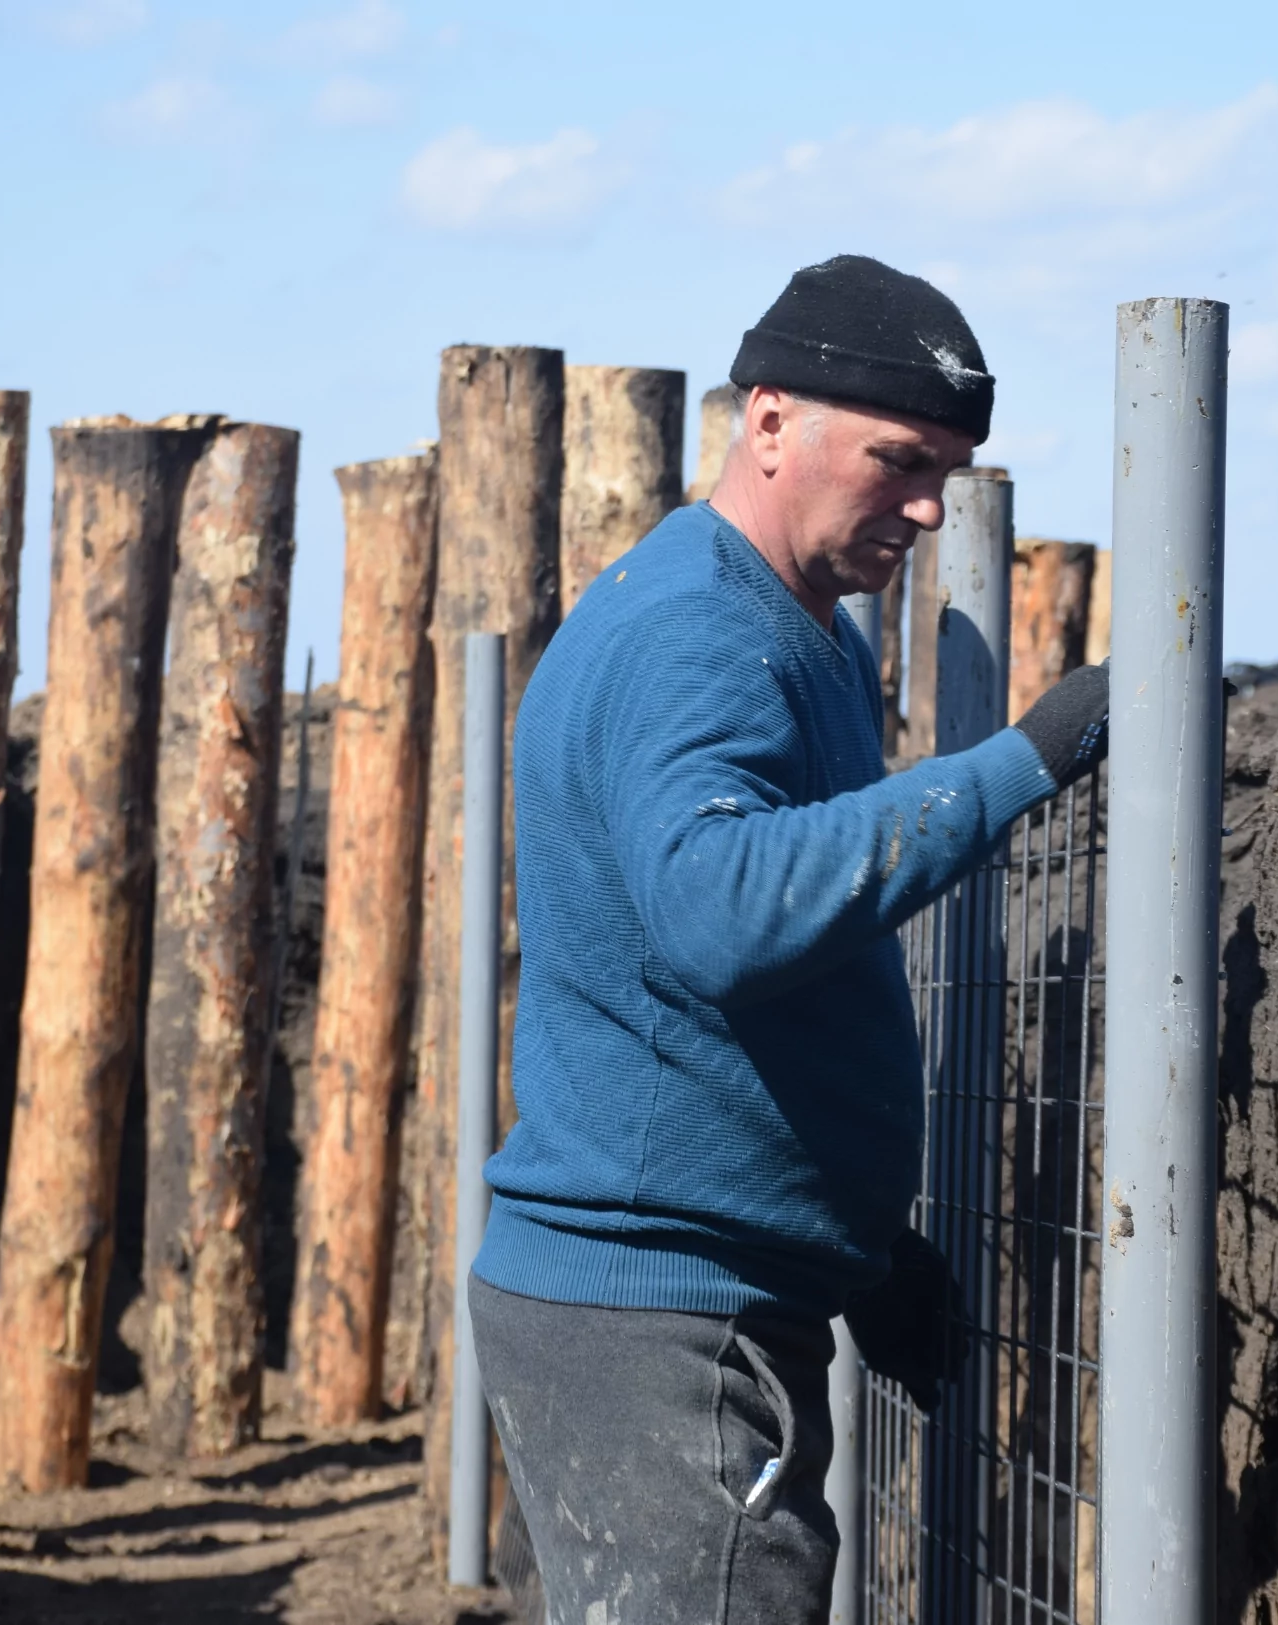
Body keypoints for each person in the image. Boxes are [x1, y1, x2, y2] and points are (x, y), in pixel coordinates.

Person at [469, 254, 1109, 1623]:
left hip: (683, 1301)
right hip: (660, 1329)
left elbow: (748, 1007)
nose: (928, 507)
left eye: (948, 472)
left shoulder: (784, 626)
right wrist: (1019, 765)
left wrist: (854, 1246)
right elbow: (723, 912)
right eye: (899, 461)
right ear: (769, 423)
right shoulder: (701, 633)